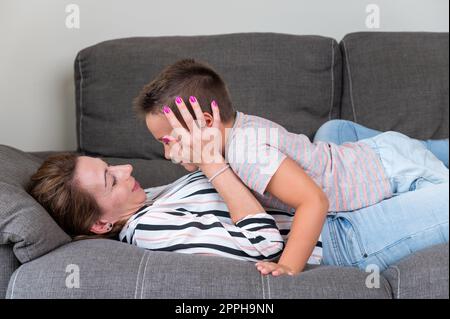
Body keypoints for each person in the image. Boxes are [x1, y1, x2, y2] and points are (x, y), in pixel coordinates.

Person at [133, 58, 449, 275]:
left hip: (397, 173)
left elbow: (314, 201)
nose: (166, 153)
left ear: (203, 123)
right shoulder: (237, 131)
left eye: (167, 140)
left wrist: (288, 266)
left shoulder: (245, 152)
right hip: (381, 152)